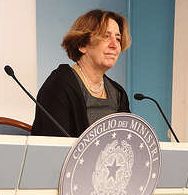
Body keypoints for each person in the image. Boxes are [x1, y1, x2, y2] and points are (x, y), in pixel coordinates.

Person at [31, 9, 131, 137]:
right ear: (82, 45)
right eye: (106, 36)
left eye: (118, 38)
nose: (114, 45)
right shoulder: (59, 85)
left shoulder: (118, 93)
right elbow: (53, 148)